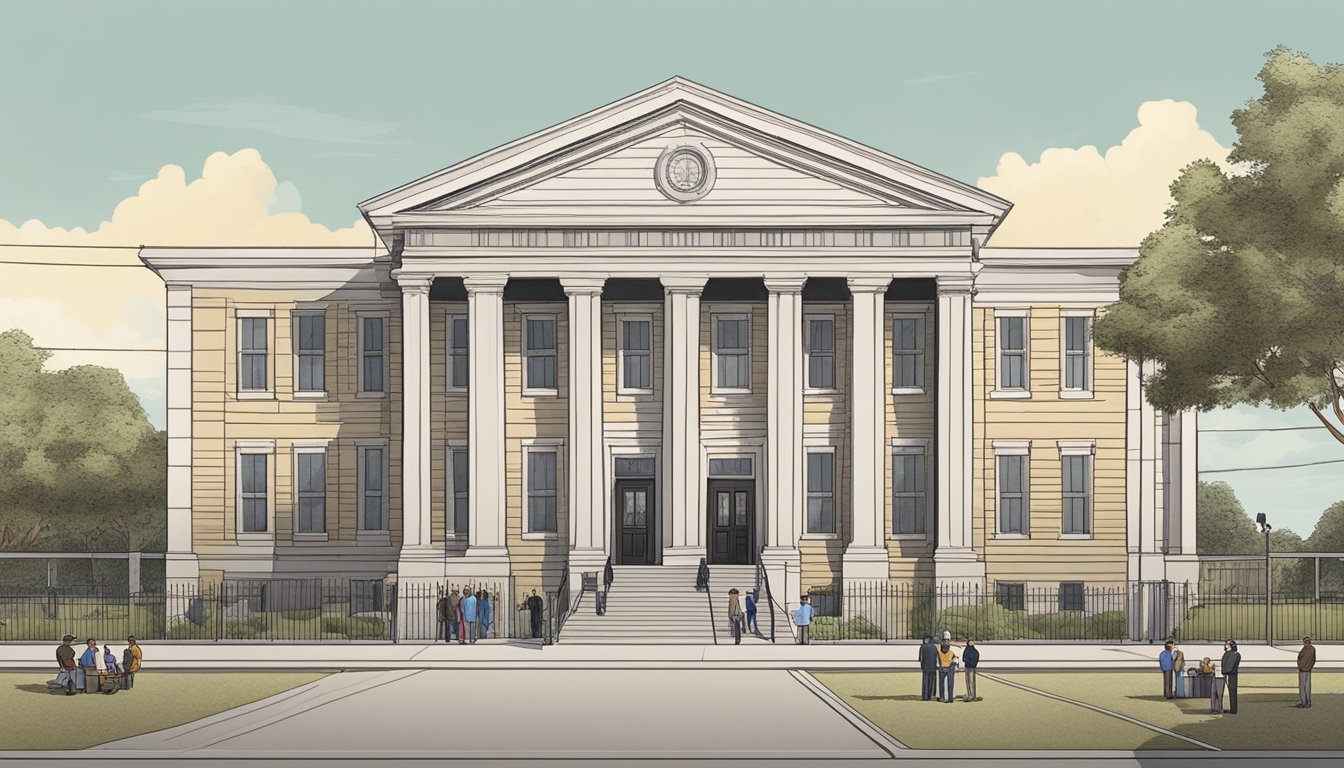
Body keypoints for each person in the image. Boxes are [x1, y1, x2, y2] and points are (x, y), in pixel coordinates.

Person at [1221, 639, 1241, 714]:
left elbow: (1230, 666)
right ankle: (1232, 709)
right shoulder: (1228, 653)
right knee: (1231, 691)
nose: (1225, 645)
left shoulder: (1234, 654)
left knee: (1232, 691)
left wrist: (1224, 671)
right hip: (1229, 674)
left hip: (1231, 675)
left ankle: (1233, 709)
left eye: (1227, 644)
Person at [937, 638, 958, 703]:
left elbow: (937, 662)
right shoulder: (951, 653)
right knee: (950, 684)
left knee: (941, 684)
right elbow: (955, 661)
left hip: (942, 668)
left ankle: (942, 697)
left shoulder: (939, 653)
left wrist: (939, 666)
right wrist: (953, 666)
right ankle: (950, 698)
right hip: (950, 669)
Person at [1297, 636, 1315, 708]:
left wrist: (1300, 666)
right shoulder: (1312, 649)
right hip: (1308, 669)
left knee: (1303, 687)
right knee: (1307, 686)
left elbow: (1303, 659)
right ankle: (1307, 702)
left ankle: (1304, 702)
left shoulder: (1306, 649)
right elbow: (1313, 660)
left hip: (1303, 669)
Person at [918, 636, 938, 701]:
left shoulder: (923, 647)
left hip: (925, 667)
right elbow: (937, 657)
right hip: (933, 667)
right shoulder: (934, 647)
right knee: (932, 682)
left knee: (925, 682)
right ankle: (931, 695)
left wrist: (922, 664)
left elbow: (921, 658)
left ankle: (925, 696)